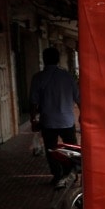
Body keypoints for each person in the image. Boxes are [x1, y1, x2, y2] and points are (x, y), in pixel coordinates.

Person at [29, 46, 80, 188]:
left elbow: (33, 102)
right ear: (58, 60)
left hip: (48, 121)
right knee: (72, 149)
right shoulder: (68, 76)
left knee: (51, 150)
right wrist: (82, 115)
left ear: (44, 60)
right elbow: (78, 98)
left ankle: (57, 176)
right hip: (67, 120)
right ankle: (70, 174)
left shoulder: (38, 78)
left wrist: (33, 119)